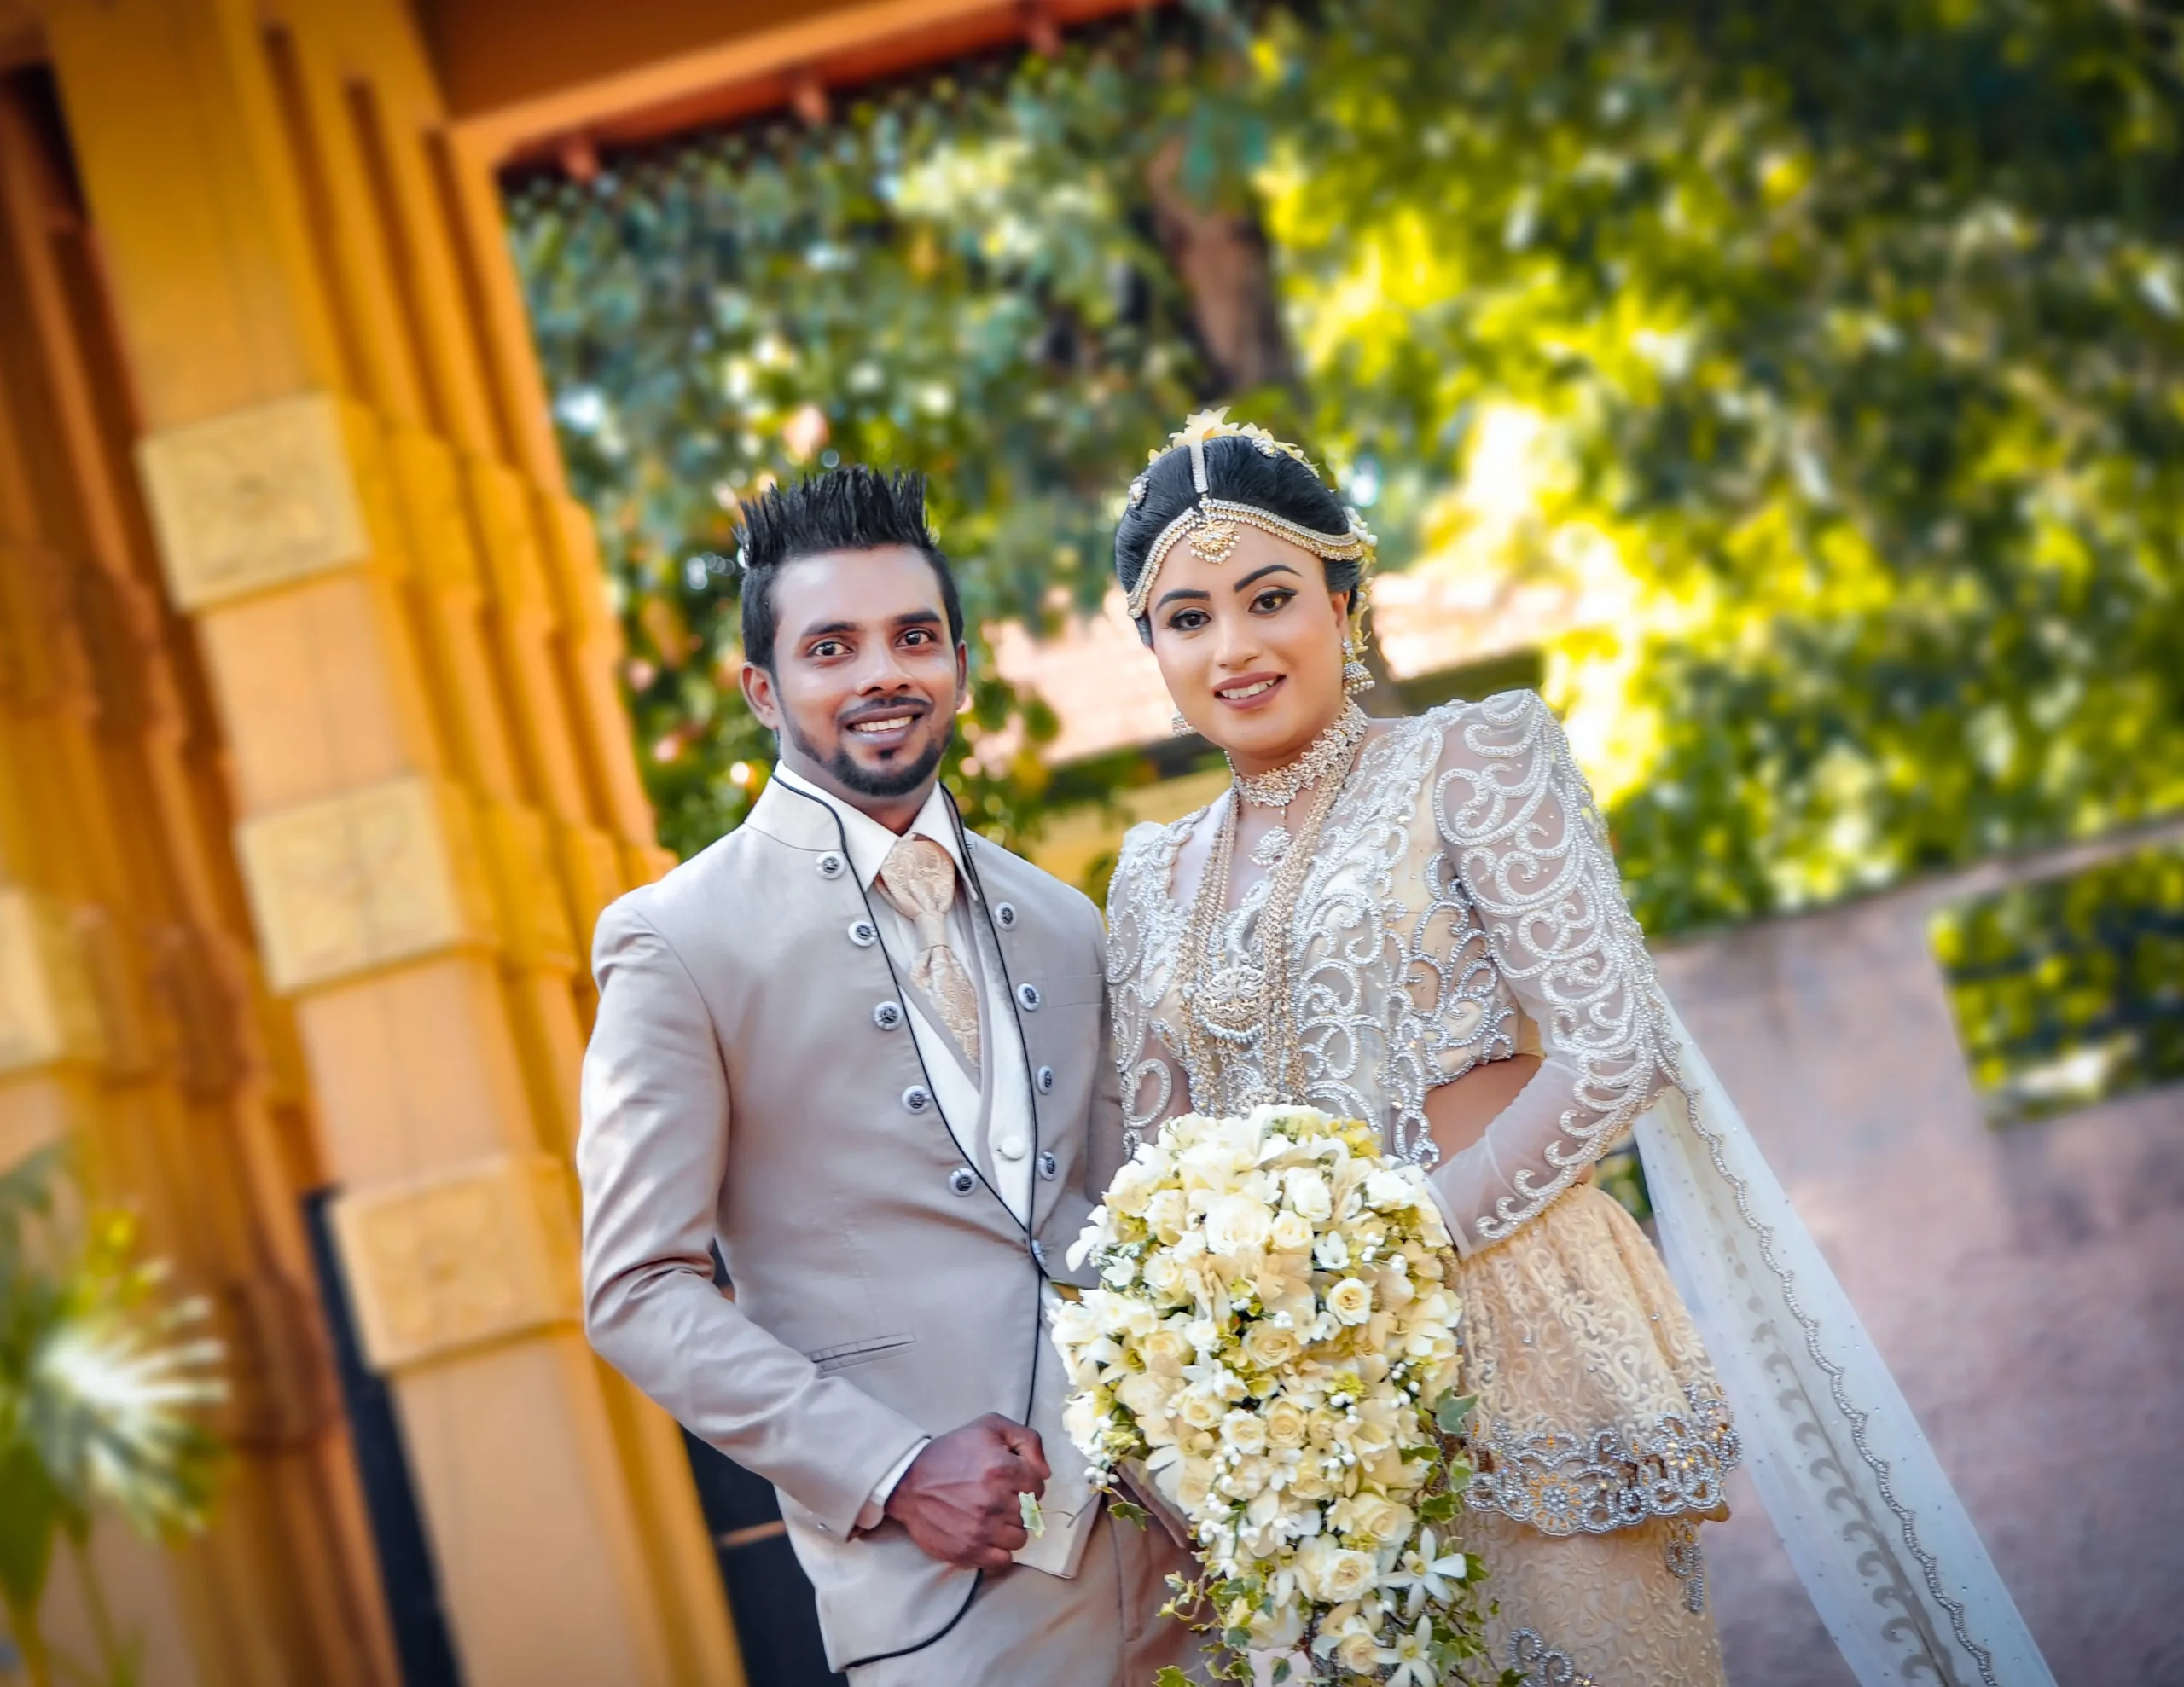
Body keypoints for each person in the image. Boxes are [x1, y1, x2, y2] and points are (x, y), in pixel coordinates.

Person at [1101, 413, 2059, 1687]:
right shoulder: (1147, 875)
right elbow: (1155, 1160)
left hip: (1518, 1331)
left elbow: (1612, 1053)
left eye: (1270, 597)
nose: (1234, 645)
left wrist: (1400, 1241)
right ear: (1152, 644)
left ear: (1346, 599)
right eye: (1188, 616)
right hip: (1290, 1402)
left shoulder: (1473, 756)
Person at [577, 467, 1198, 1685]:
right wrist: (892, 1469)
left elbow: (1124, 1215)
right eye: (832, 646)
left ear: (960, 665)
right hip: (944, 1599)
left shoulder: (1065, 919)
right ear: (764, 686)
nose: (881, 674)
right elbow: (636, 1286)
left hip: (1186, 1569)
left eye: (914, 637)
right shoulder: (676, 940)